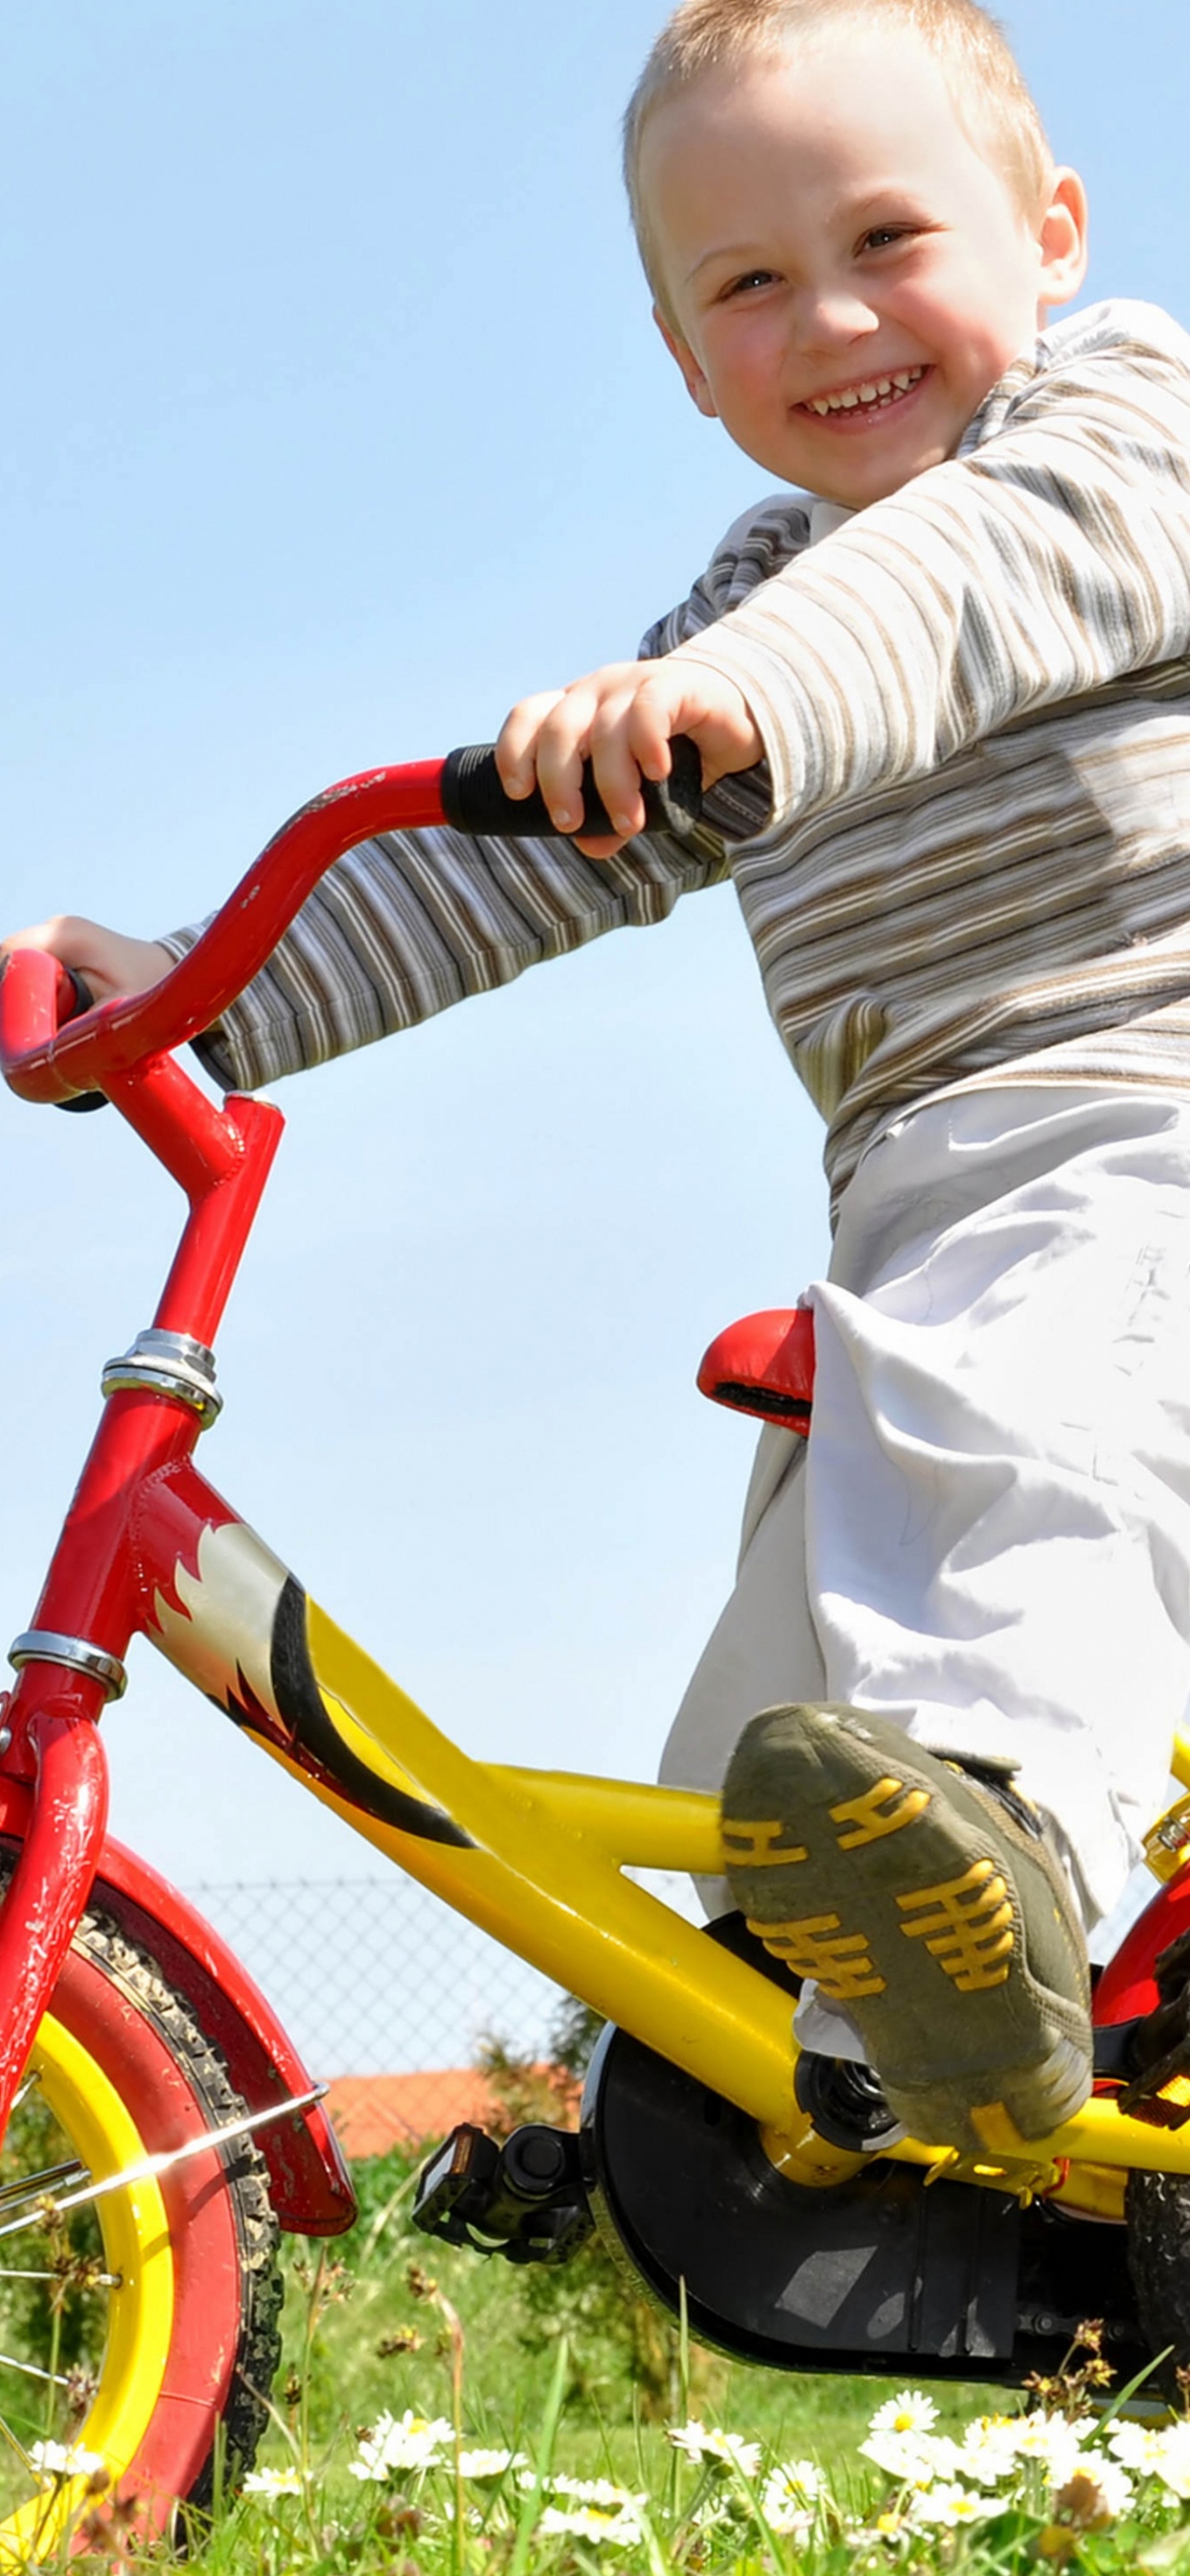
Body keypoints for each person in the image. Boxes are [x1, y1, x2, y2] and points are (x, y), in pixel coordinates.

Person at [11, 0, 1190, 2157]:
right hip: (922, 1200)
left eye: (888, 237)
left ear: (1052, 231)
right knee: (795, 1711)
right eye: (747, 283)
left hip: (1142, 1128)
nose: (829, 314)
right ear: (679, 356)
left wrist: (721, 693)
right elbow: (482, 883)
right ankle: (747, 2125)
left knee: (979, 1597)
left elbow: (964, 597)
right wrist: (184, 988)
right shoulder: (754, 596)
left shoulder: (1126, 429)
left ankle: (1001, 1859)